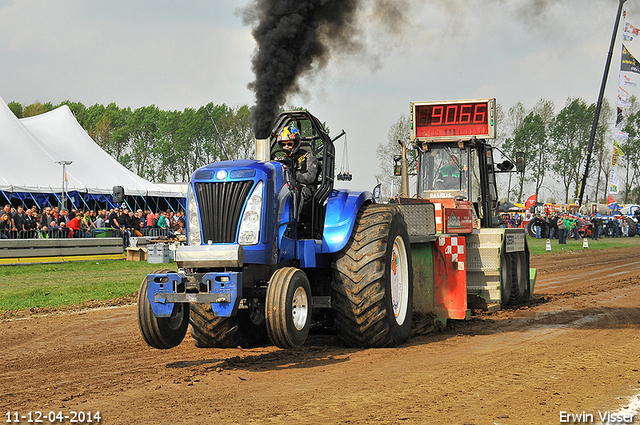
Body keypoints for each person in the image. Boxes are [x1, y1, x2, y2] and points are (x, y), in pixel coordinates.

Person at [277, 126, 318, 216]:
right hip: (286, 187)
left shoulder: (308, 157)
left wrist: (295, 175)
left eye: (289, 144)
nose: (286, 147)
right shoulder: (279, 161)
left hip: (305, 188)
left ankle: (294, 221)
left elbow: (310, 177)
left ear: (296, 143)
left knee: (296, 191)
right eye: (283, 145)